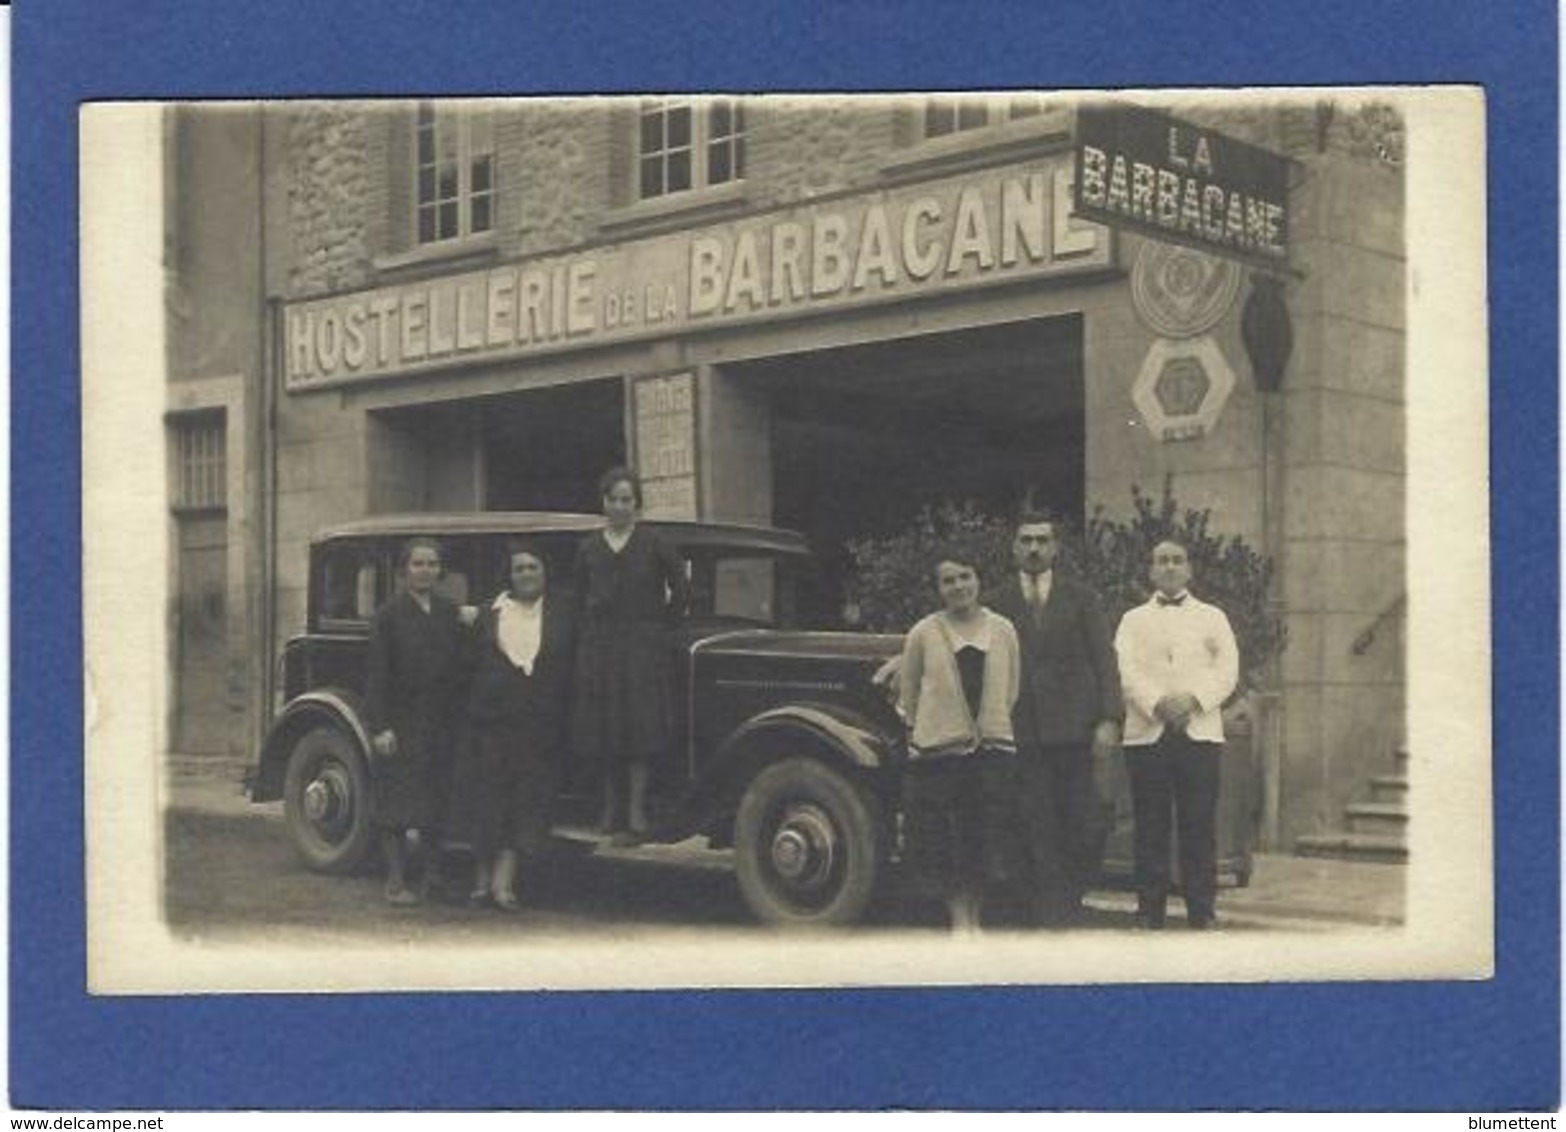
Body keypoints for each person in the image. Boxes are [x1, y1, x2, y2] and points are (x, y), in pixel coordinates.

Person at [990, 510, 1123, 925]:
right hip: (1021, 731)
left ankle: (1069, 902)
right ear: (1014, 548)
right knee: (1029, 823)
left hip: (1074, 731)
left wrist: (1108, 718)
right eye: (1026, 540)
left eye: (1042, 540)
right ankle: (1036, 912)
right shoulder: (996, 601)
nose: (1034, 548)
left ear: (1055, 548)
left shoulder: (1081, 597)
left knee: (1079, 822)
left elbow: (1105, 660)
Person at [1113, 539, 1240, 930]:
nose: (1169, 567)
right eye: (1161, 561)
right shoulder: (1132, 620)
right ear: (1151, 571)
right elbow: (1125, 670)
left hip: (1198, 732)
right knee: (1149, 825)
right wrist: (1157, 704)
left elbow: (1228, 669)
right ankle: (1148, 913)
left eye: (1177, 561)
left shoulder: (1213, 617)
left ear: (1189, 570)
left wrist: (1194, 701)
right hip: (1148, 733)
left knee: (1198, 824)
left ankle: (1202, 913)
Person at [897, 552, 1021, 933]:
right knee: (945, 842)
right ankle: (958, 920)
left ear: (978, 580)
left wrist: (990, 724)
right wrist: (929, 732)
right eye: (948, 581)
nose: (958, 587)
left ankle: (978, 919)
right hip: (940, 757)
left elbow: (1011, 687)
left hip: (990, 754)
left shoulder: (1003, 630)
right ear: (939, 589)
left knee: (984, 837)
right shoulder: (923, 633)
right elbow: (909, 692)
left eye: (965, 577)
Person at [450, 543, 575, 912]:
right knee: (488, 798)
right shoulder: (490, 613)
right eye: (519, 569)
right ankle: (480, 881)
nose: (526, 575)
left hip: (537, 723)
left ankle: (504, 883)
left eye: (532, 567)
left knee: (523, 800)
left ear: (544, 572)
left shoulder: (560, 613)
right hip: (490, 721)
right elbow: (467, 663)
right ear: (510, 575)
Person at [572, 467, 691, 845]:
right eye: (613, 500)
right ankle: (610, 806)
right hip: (601, 647)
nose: (620, 506)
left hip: (643, 646)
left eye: (627, 500)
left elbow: (682, 589)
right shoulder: (589, 547)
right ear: (603, 503)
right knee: (606, 728)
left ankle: (636, 809)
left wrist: (658, 627)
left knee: (639, 728)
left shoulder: (655, 542)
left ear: (636, 505)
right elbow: (577, 595)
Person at [364, 537, 468, 906]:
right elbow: (377, 677)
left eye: (432, 564)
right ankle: (395, 880)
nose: (425, 571)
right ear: (404, 570)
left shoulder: (448, 612)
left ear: (440, 571)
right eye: (418, 564)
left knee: (435, 801)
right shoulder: (388, 616)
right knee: (397, 803)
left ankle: (433, 877)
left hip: (440, 722)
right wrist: (380, 727)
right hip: (401, 722)